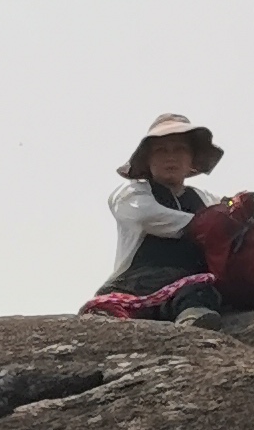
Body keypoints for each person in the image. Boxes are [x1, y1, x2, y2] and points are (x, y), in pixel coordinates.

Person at [84, 115, 228, 322]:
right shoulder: (131, 194)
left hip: (189, 283)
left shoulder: (207, 199)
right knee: (113, 307)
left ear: (192, 160)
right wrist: (206, 224)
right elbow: (148, 217)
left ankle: (192, 318)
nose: (171, 157)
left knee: (199, 293)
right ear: (147, 160)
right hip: (136, 284)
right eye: (161, 151)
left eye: (180, 149)